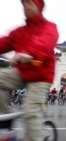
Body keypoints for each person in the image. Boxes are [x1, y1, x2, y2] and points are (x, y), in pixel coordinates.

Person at [0, 0, 59, 141]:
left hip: (41, 76)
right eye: (24, 4)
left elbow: (44, 43)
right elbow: (4, 43)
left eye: (30, 3)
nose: (26, 6)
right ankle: (5, 122)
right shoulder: (20, 32)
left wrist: (28, 54)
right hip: (22, 73)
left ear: (39, 7)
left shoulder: (49, 27)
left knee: (30, 110)